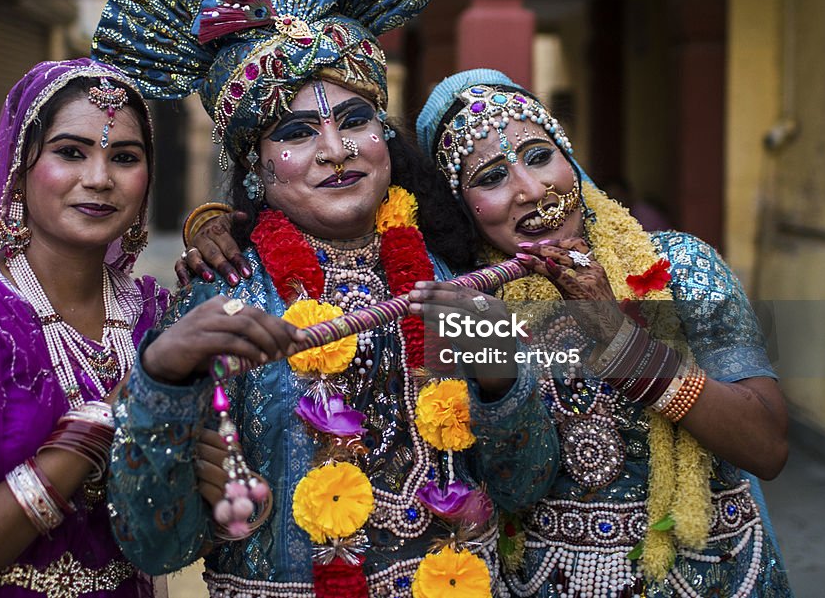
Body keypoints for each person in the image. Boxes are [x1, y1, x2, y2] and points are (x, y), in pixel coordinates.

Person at [92, 0, 559, 597]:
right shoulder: (221, 298)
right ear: (255, 165)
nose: (336, 151)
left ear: (385, 135)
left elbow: (525, 487)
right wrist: (162, 379)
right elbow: (157, 541)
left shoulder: (449, 270)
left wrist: (494, 367)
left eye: (354, 118)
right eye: (297, 132)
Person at [186, 67, 793, 597]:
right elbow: (513, 482)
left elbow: (766, 446)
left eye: (538, 155)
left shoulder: (675, 267)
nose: (531, 191)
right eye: (491, 177)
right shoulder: (468, 296)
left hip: (713, 573)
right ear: (459, 203)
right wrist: (221, 227)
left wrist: (619, 340)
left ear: (569, 157)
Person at [0, 58, 302, 598]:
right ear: (20, 170)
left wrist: (213, 498)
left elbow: (175, 525)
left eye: (124, 157)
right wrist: (121, 409)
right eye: (71, 152)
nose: (98, 179)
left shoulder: (157, 314)